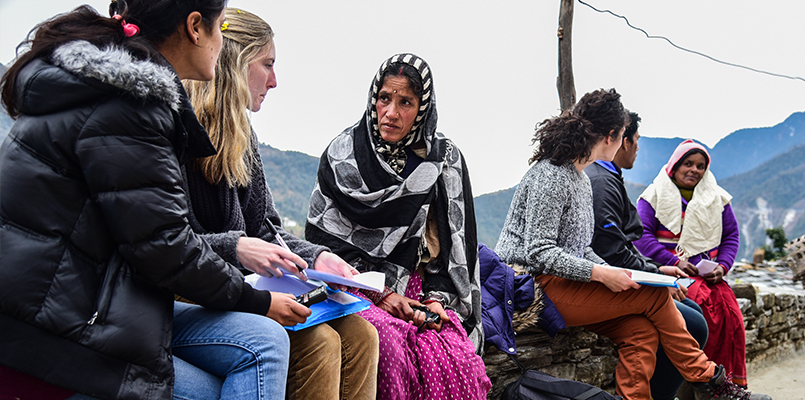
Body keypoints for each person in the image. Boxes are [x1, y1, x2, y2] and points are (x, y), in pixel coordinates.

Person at [0, 2, 296, 399]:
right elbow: (164, 245)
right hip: (53, 330)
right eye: (218, 29)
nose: (221, 41)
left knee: (264, 340)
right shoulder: (129, 106)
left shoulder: (116, 92)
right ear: (195, 27)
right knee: (221, 383)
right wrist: (256, 300)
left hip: (90, 299)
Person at [494, 88, 770, 400]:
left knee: (640, 331)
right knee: (652, 296)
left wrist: (617, 273)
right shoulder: (552, 174)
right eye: (626, 134)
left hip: (562, 282)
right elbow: (538, 251)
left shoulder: (581, 178)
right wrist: (602, 275)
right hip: (530, 288)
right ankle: (711, 383)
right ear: (611, 136)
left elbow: (581, 248)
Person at [182, 8, 378, 399]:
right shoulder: (180, 130)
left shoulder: (242, 134)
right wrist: (237, 248)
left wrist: (317, 257)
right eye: (267, 64)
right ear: (235, 62)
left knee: (362, 334)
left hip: (239, 285)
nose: (274, 81)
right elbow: (173, 240)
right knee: (318, 343)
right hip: (196, 289)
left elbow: (265, 227)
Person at [305, 53, 491, 399]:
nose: (391, 113)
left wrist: (437, 300)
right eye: (384, 99)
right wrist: (381, 293)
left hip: (418, 289)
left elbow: (453, 246)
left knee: (456, 356)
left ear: (422, 109)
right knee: (389, 344)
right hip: (352, 286)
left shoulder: (442, 160)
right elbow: (322, 242)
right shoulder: (343, 154)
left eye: (405, 102)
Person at [586, 111, 709, 400]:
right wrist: (656, 274)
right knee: (693, 324)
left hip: (623, 275)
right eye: (636, 141)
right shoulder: (602, 182)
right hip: (607, 282)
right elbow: (611, 251)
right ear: (621, 141)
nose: (639, 148)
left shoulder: (609, 177)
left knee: (694, 312)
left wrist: (658, 271)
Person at [634, 139, 751, 388]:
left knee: (731, 315)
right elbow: (641, 237)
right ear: (674, 166)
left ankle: (723, 382)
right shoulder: (653, 197)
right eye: (688, 163)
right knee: (702, 309)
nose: (694, 170)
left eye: (700, 166)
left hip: (706, 273)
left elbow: (731, 236)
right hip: (668, 272)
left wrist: (722, 266)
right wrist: (673, 260)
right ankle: (698, 381)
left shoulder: (717, 199)